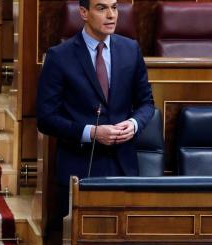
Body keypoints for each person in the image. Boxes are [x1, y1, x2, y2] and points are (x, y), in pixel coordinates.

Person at [36, 0, 154, 217]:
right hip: (79, 170)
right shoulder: (59, 57)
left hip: (123, 168)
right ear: (83, 12)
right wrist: (91, 132)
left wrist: (134, 123)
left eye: (115, 7)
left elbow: (146, 104)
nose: (111, 15)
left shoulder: (131, 50)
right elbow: (45, 118)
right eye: (101, 8)